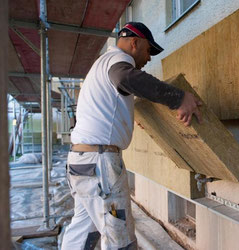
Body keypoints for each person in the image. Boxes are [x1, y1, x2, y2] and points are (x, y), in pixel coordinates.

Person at [61, 22, 202, 250]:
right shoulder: (119, 61)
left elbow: (111, 101)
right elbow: (126, 79)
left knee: (83, 231)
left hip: (80, 162)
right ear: (134, 43)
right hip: (99, 164)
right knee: (119, 239)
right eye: (148, 51)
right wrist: (179, 98)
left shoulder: (100, 65)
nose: (149, 58)